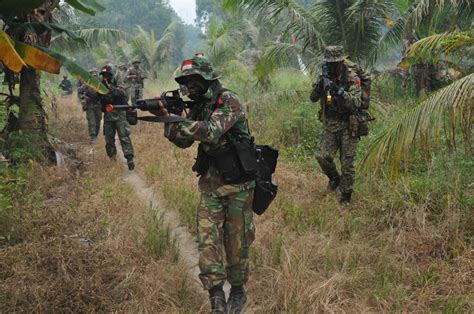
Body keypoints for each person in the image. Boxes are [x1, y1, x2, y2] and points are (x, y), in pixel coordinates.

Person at [158, 54, 256, 314]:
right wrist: (168, 118)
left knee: (237, 242)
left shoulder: (228, 100)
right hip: (211, 185)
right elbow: (184, 141)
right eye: (185, 81)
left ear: (207, 78)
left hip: (238, 186)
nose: (188, 86)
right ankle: (216, 296)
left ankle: (237, 292)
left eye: (192, 80)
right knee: (207, 240)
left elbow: (210, 131)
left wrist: (180, 121)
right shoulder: (198, 106)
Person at [310, 45, 363, 206]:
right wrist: (321, 85)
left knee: (347, 163)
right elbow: (313, 98)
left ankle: (346, 195)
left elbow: (356, 103)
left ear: (341, 62)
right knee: (322, 156)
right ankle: (335, 178)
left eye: (334, 63)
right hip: (330, 123)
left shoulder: (352, 78)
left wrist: (339, 92)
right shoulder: (324, 77)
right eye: (329, 63)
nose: (331, 66)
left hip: (348, 124)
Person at [98, 65, 135, 170]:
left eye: (107, 75)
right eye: (103, 75)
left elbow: (123, 93)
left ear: (112, 75)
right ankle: (112, 159)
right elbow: (98, 97)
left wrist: (110, 88)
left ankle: (129, 158)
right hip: (108, 114)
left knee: (124, 136)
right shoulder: (101, 85)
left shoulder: (118, 82)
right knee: (109, 139)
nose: (105, 77)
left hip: (120, 113)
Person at [78, 70, 102, 143]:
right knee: (91, 121)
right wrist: (84, 97)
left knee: (98, 121)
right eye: (92, 76)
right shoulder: (86, 85)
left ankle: (96, 135)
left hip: (98, 104)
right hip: (90, 105)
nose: (94, 77)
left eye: (95, 76)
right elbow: (80, 92)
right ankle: (93, 136)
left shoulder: (100, 85)